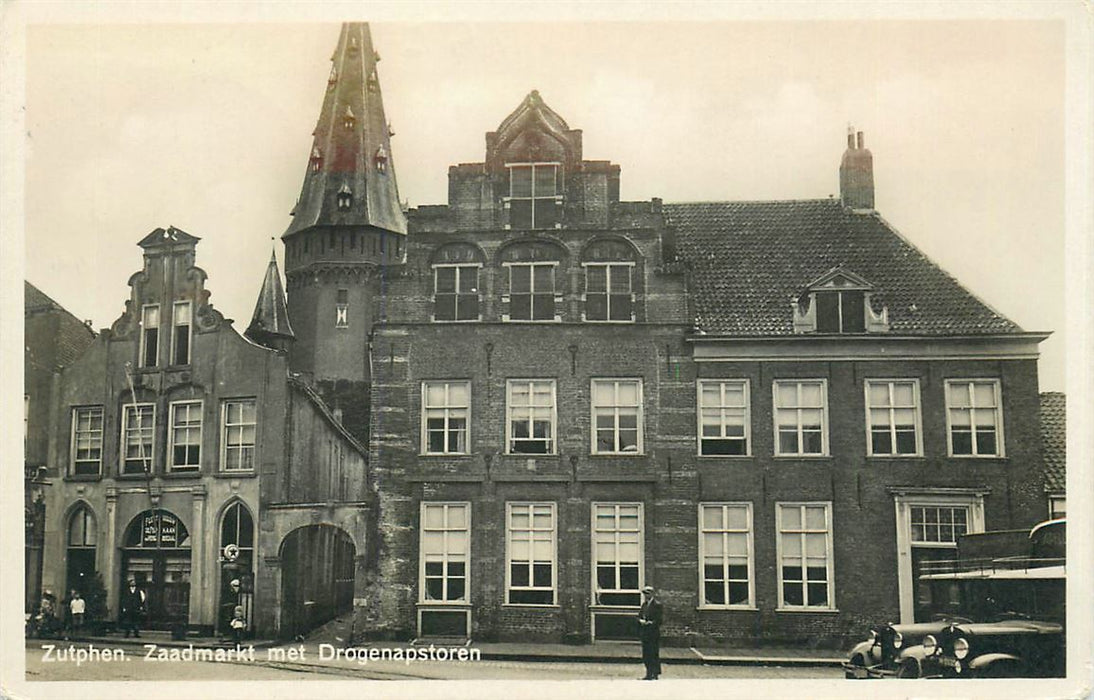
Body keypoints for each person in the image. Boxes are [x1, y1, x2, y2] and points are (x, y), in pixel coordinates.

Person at [637, 585, 663, 680]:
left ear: (652, 594)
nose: (646, 596)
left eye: (647, 594)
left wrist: (650, 623)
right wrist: (640, 621)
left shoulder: (657, 605)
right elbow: (640, 616)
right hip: (645, 633)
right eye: (644, 594)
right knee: (646, 654)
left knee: (654, 653)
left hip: (653, 633)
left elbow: (659, 620)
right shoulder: (644, 605)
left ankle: (655, 673)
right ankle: (649, 673)